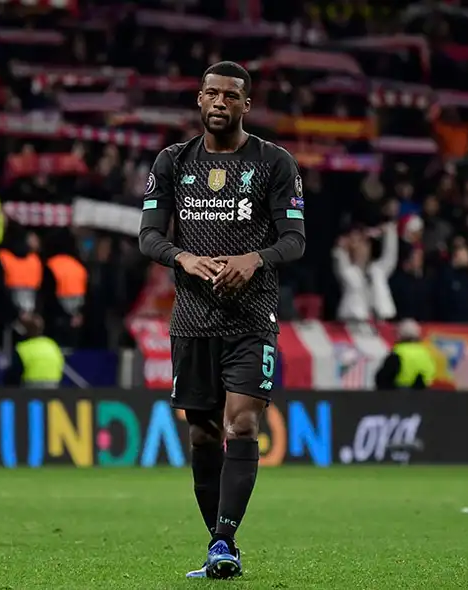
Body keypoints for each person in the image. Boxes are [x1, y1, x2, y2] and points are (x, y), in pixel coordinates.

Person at [138, 61, 306, 579]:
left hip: (252, 317)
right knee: (204, 435)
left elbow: (295, 239)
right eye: (210, 94)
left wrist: (253, 260)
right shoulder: (171, 161)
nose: (218, 104)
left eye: (229, 97)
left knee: (242, 423)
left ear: (245, 104)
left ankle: (225, 541)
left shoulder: (275, 163)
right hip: (191, 319)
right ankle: (218, 542)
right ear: (199, 100)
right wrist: (183, 258)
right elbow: (148, 235)